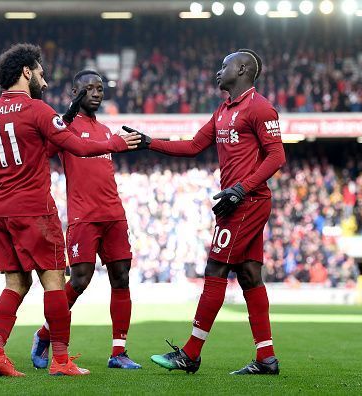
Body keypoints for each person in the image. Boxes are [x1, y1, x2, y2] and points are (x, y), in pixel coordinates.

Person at [0, 43, 140, 377]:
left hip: (0, 210)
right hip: (34, 208)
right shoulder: (38, 111)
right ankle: (60, 360)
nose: (44, 82)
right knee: (56, 281)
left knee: (15, 285)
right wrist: (116, 143)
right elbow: (76, 145)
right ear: (27, 72)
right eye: (41, 74)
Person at [137, 49, 286, 375]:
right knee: (248, 276)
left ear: (243, 69)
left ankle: (190, 354)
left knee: (215, 269)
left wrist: (242, 188)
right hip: (234, 202)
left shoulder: (260, 108)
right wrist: (150, 143)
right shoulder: (222, 110)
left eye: (225, 66)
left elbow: (276, 157)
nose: (219, 71)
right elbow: (192, 146)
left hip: (248, 202)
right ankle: (266, 358)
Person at [31, 70, 142, 370]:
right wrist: (65, 117)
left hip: (114, 215)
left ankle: (118, 352)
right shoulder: (64, 128)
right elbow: (47, 150)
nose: (96, 93)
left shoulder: (107, 131)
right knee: (79, 281)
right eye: (89, 88)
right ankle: (44, 333)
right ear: (74, 91)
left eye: (100, 88)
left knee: (122, 277)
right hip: (84, 217)